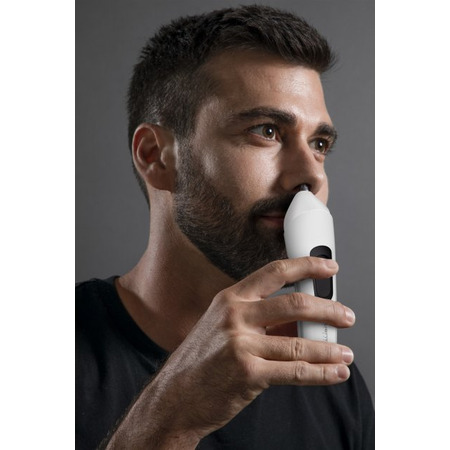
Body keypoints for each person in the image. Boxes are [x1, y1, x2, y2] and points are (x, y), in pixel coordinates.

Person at [76, 5, 375, 449]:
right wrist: (170, 419)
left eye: (319, 143)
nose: (311, 176)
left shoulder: (333, 387)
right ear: (156, 157)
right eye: (266, 131)